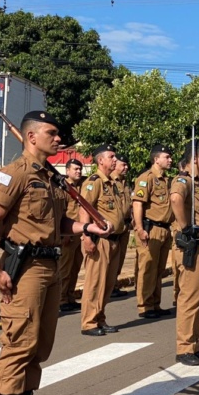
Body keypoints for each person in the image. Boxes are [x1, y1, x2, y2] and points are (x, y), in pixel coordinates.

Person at [0, 110, 112, 395]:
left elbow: (60, 224)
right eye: (52, 133)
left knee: (39, 345)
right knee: (19, 343)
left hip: (50, 266)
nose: (58, 138)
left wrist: (87, 227)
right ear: (31, 136)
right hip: (24, 269)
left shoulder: (51, 179)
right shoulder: (13, 175)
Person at [170, 139, 199, 366]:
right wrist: (185, 228)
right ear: (195, 158)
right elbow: (176, 199)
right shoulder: (183, 180)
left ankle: (195, 344)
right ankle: (184, 347)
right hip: (194, 248)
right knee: (189, 298)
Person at [79, 144, 127, 336]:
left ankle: (100, 317)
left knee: (107, 283)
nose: (115, 160)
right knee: (95, 282)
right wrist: (86, 237)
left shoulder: (112, 183)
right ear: (101, 160)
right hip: (99, 241)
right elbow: (84, 209)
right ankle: (89, 322)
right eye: (111, 157)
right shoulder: (94, 182)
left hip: (114, 239)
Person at [132, 144, 174, 319]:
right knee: (148, 268)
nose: (170, 160)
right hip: (151, 228)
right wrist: (140, 228)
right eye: (167, 157)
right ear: (156, 159)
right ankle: (145, 306)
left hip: (164, 229)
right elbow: (138, 203)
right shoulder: (146, 178)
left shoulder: (166, 179)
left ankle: (155, 303)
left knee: (158, 269)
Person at [58, 159, 84, 312]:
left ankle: (70, 295)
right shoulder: (63, 188)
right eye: (75, 169)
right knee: (65, 268)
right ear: (67, 171)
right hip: (68, 233)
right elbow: (61, 211)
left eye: (80, 169)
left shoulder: (82, 187)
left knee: (75, 268)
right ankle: (62, 298)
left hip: (80, 233)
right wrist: (65, 233)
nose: (78, 172)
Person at [111, 152, 132, 298]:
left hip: (125, 226)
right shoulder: (110, 182)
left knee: (120, 258)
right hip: (113, 228)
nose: (126, 167)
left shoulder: (125, 182)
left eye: (126, 165)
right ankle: (108, 286)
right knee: (110, 259)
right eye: (123, 165)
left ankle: (113, 284)